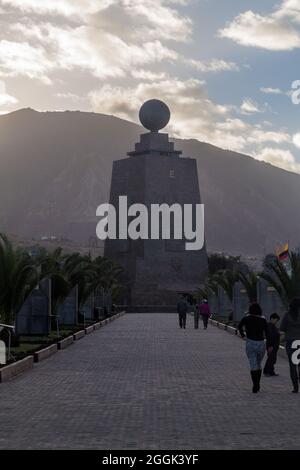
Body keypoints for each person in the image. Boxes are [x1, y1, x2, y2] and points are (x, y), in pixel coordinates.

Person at [238, 303, 269, 393]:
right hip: (261, 343)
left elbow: (239, 326)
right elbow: (267, 332)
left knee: (253, 364)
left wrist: (243, 335)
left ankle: (255, 385)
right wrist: (269, 344)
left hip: (250, 343)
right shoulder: (263, 320)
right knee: (259, 364)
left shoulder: (246, 318)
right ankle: (258, 383)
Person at [280, 298, 300, 393]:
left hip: (291, 343)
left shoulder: (287, 315)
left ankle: (295, 387)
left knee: (292, 366)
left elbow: (282, 328)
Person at [263, 313, 281, 377]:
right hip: (271, 345)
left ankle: (271, 371)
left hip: (274, 345)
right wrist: (270, 346)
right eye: (276, 320)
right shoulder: (269, 326)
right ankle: (266, 371)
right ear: (272, 319)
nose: (276, 322)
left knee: (273, 359)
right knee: (270, 358)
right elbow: (269, 336)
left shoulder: (273, 326)